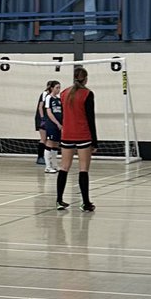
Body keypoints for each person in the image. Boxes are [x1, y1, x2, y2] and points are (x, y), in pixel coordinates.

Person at [57, 67, 97, 210]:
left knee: (64, 167)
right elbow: (90, 119)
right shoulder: (87, 94)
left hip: (67, 134)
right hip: (83, 135)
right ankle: (86, 203)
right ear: (85, 79)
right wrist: (95, 141)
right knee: (83, 169)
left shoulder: (63, 93)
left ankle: (59, 200)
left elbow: (64, 115)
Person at [41, 80, 62, 174]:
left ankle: (55, 165)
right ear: (52, 88)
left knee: (56, 144)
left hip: (59, 124)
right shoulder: (49, 98)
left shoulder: (58, 99)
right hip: (51, 124)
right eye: (57, 87)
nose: (58, 89)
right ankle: (48, 167)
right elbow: (49, 112)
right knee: (50, 143)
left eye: (59, 87)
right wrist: (57, 123)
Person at [34, 85, 49, 166]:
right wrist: (42, 118)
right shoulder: (44, 94)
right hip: (42, 120)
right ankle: (40, 157)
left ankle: (45, 157)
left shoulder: (51, 96)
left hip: (47, 119)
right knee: (43, 139)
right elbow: (41, 107)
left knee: (47, 139)